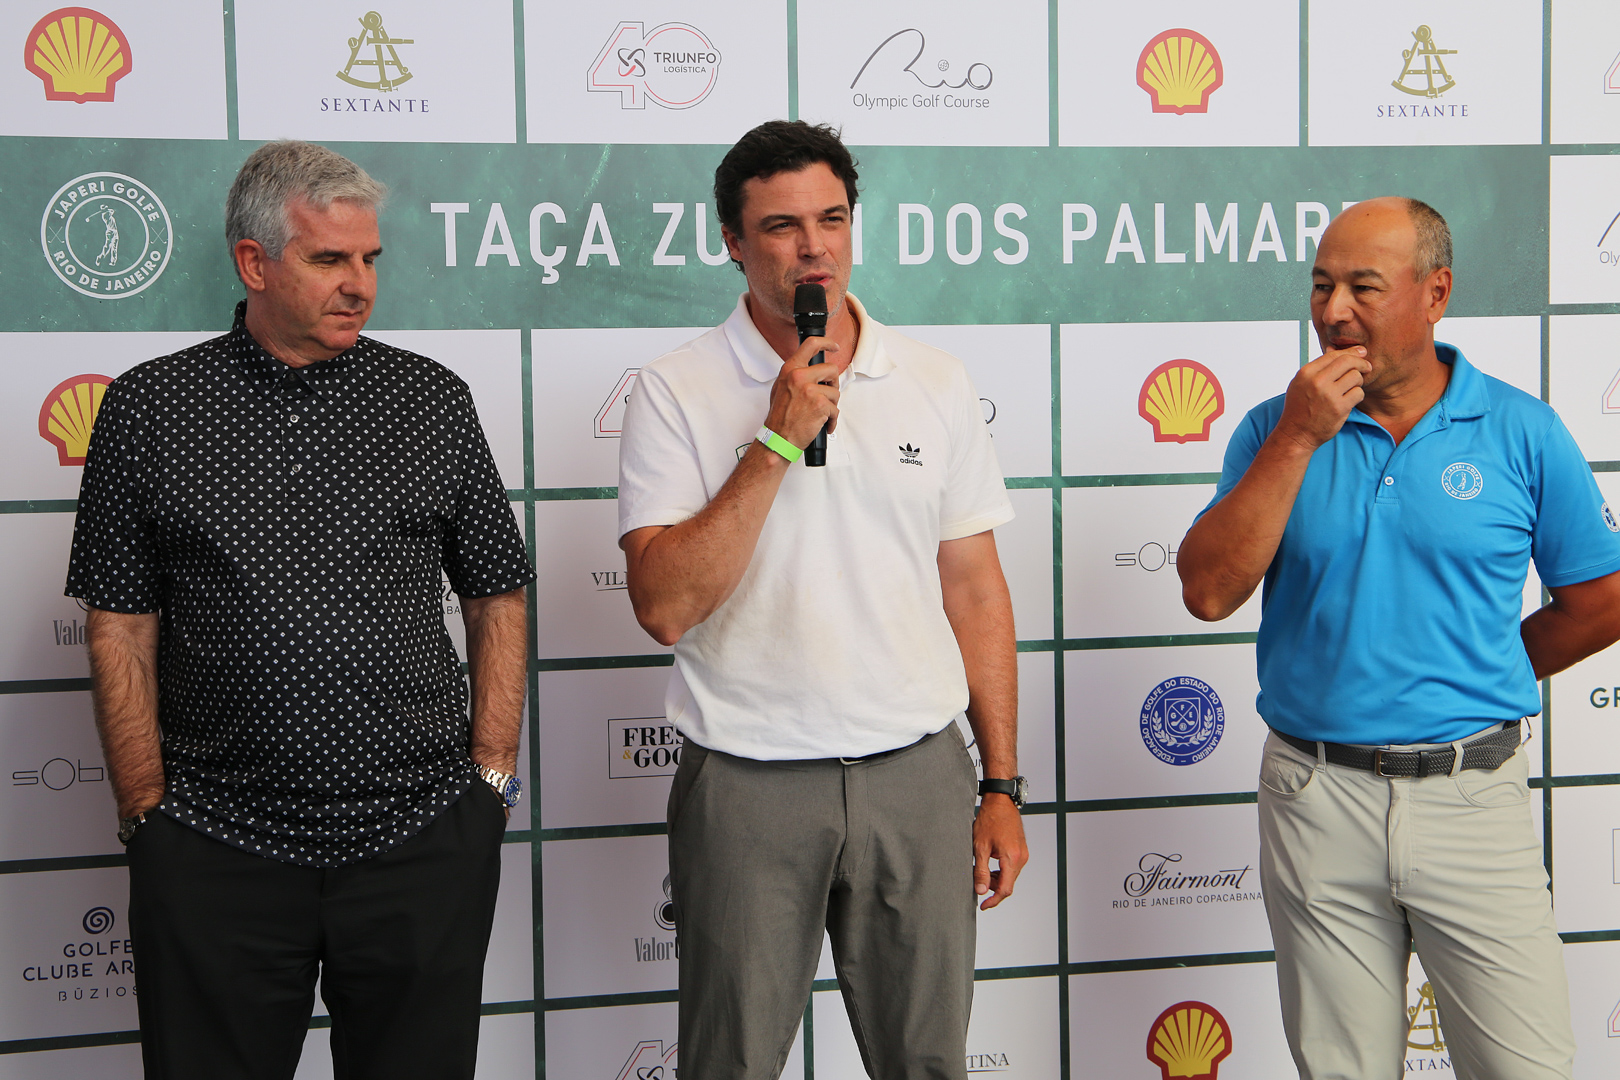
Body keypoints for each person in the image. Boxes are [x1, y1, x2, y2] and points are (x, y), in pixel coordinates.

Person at [65, 140, 534, 1080]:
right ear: (254, 263)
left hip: (420, 838)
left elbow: (497, 592)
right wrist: (145, 813)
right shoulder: (151, 408)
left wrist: (489, 779)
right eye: (330, 259)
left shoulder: (431, 400)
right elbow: (120, 621)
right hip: (213, 846)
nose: (361, 284)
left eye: (370, 259)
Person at [617, 120, 1029, 1080]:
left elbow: (974, 589)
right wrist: (777, 439)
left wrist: (1002, 784)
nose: (814, 249)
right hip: (747, 781)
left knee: (928, 1063)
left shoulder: (934, 379)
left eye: (832, 219)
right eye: (782, 227)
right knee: (729, 1064)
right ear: (733, 241)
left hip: (918, 775)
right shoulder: (675, 390)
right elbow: (665, 606)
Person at [1178, 196, 1620, 1079]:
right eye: (1321, 286)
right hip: (1316, 795)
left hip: (1473, 796)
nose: (1334, 311)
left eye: (1363, 287)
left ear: (1435, 293)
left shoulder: (1523, 430)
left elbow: (1600, 599)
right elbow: (1208, 591)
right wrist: (1299, 437)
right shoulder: (1272, 428)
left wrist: (1480, 671)